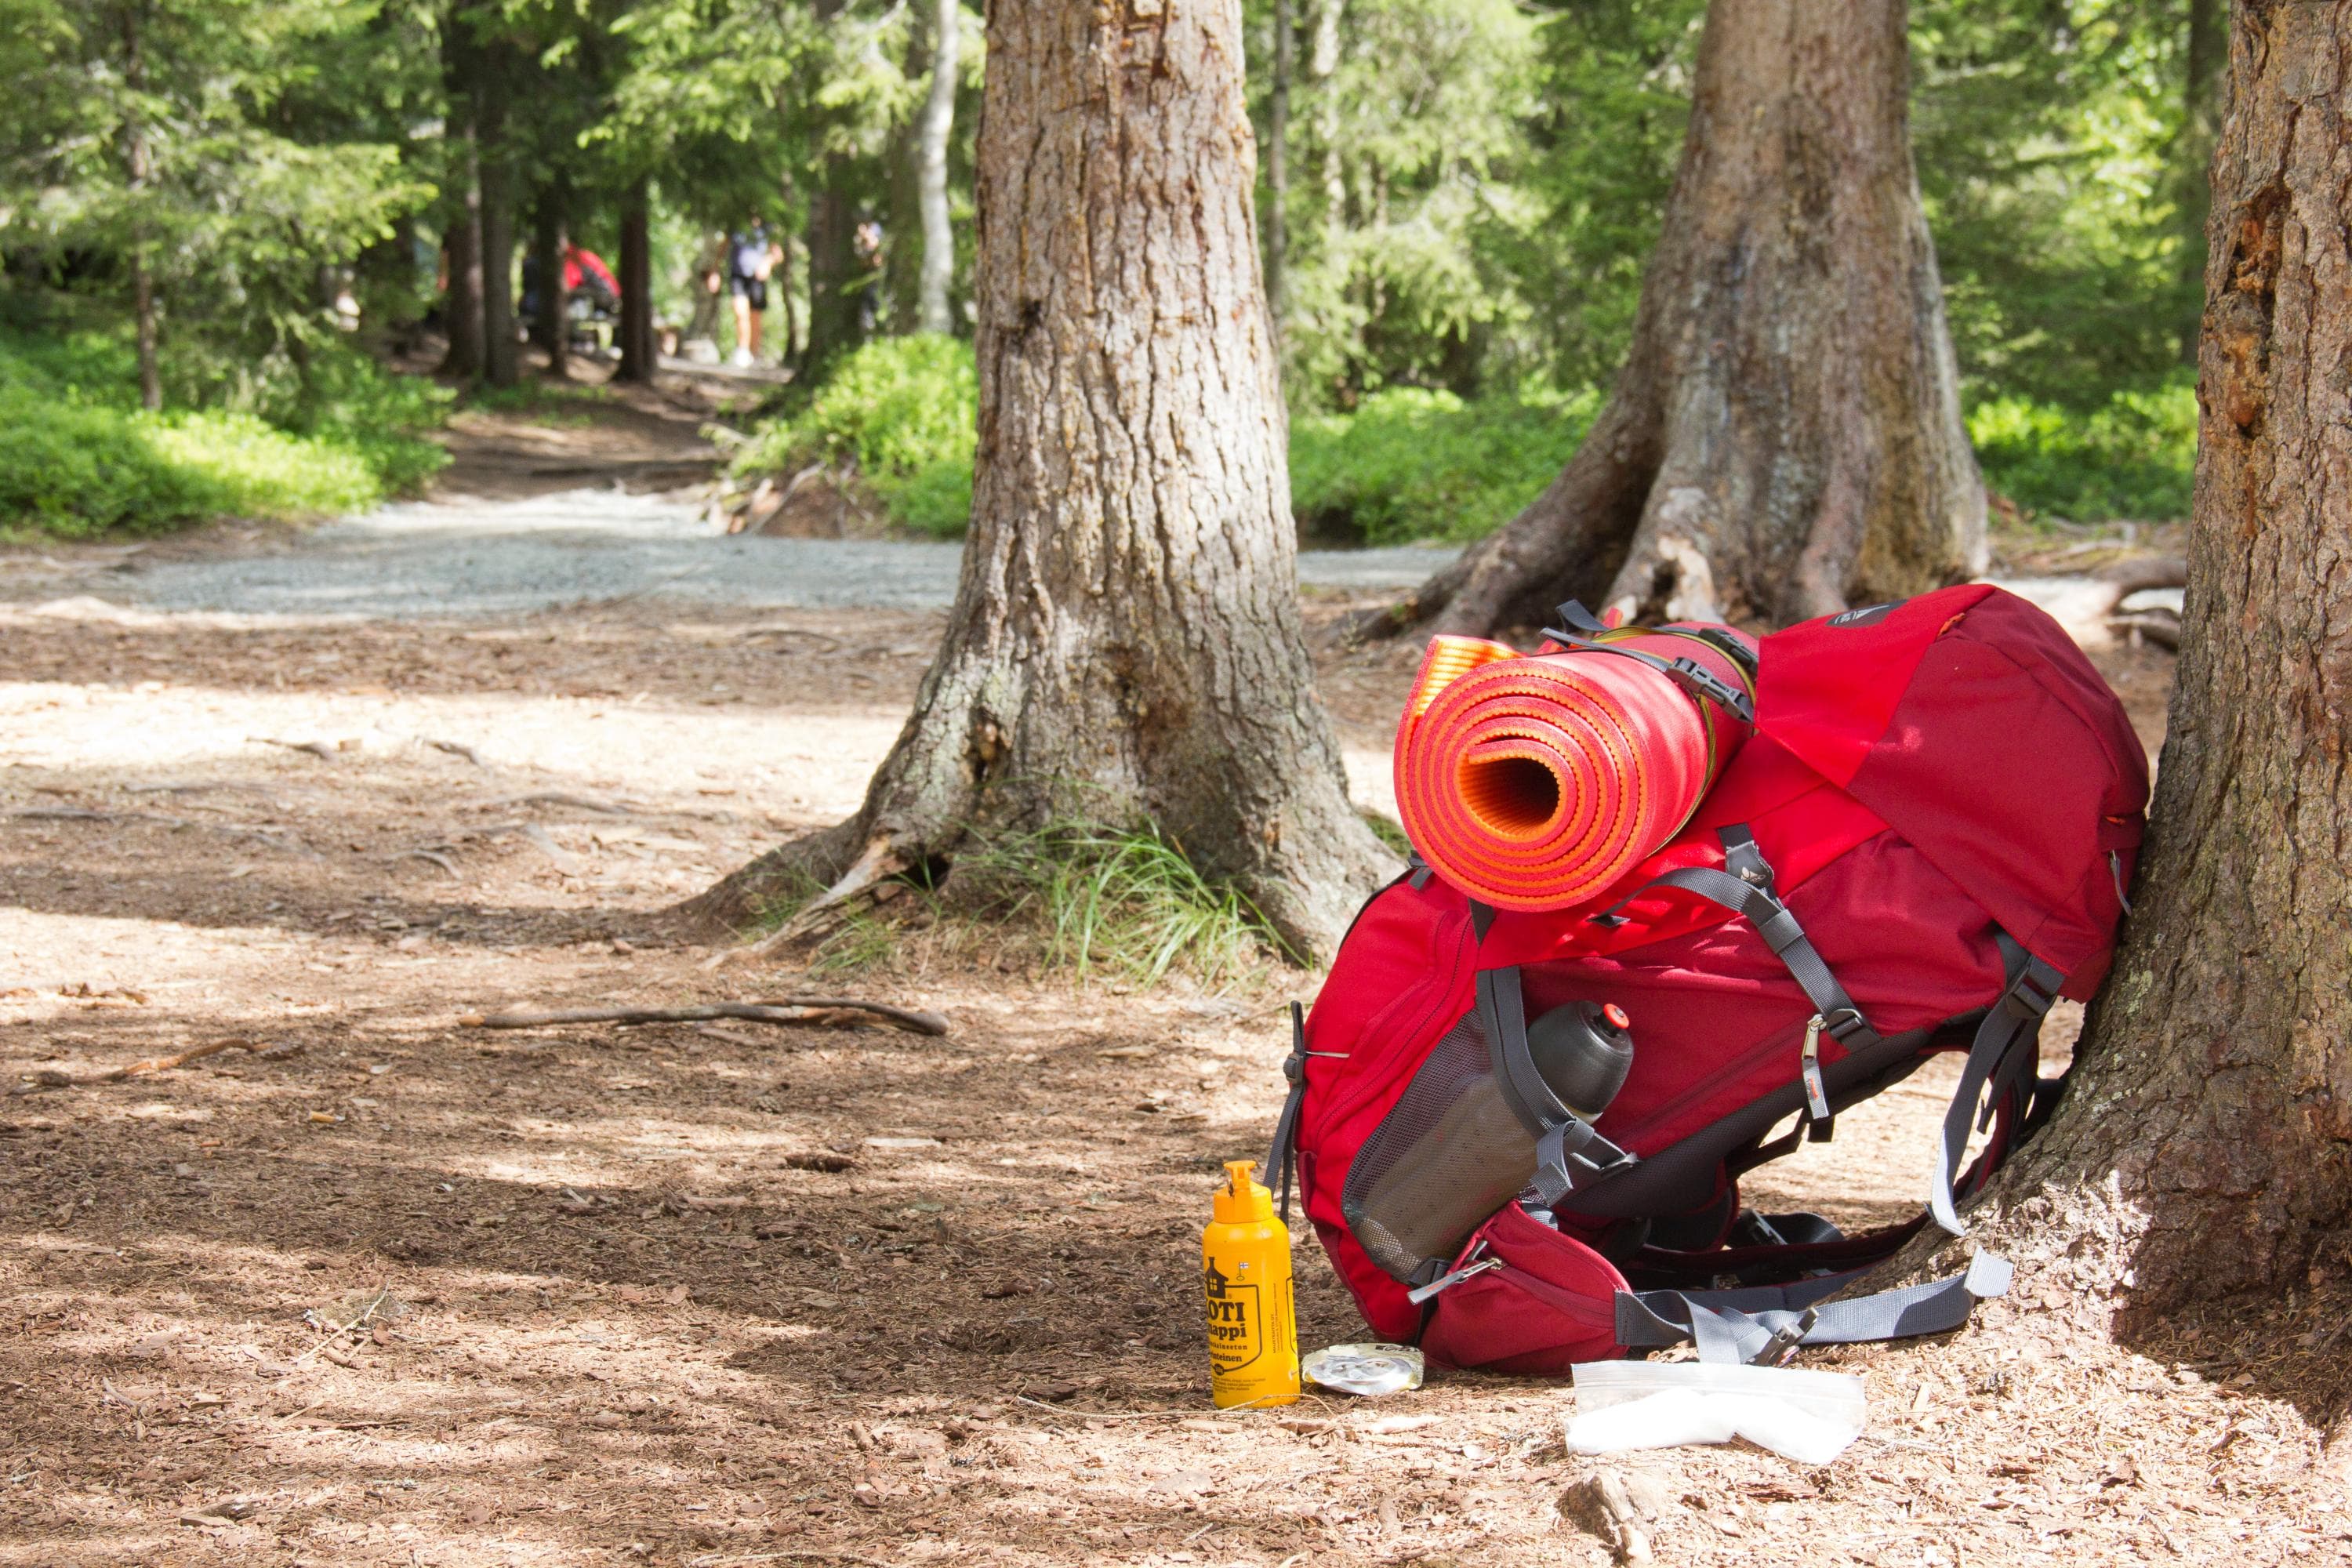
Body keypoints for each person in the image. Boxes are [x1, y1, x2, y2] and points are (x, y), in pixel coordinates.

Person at [723, 220, 782, 367]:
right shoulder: (736, 222)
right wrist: (714, 270)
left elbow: (778, 255)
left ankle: (755, 354)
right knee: (740, 312)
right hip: (738, 274)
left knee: (755, 317)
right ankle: (743, 350)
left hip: (757, 277)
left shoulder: (767, 228)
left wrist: (767, 263)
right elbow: (723, 246)